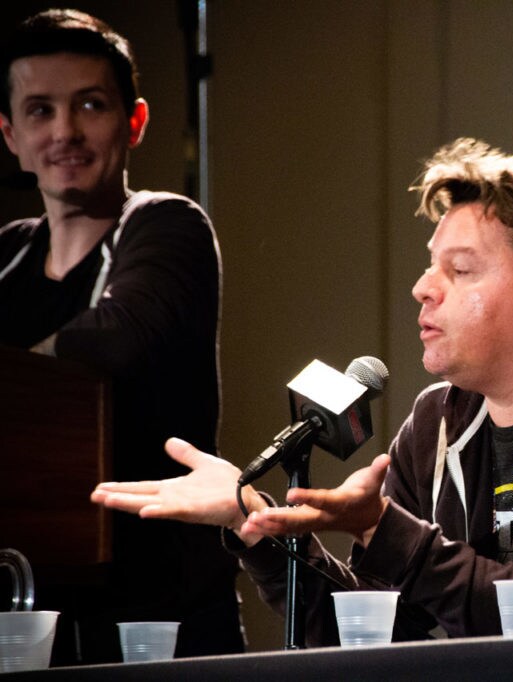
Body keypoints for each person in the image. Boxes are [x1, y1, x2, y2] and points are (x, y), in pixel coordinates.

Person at [92, 137, 513, 643]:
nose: (423, 289)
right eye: (431, 267)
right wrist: (254, 522)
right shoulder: (439, 420)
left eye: (459, 270)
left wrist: (383, 528)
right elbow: (374, 637)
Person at [0, 9, 243, 662]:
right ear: (10, 134)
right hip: (32, 609)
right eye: (40, 111)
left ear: (133, 121)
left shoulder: (166, 225)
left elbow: (117, 337)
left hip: (164, 620)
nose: (65, 132)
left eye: (90, 105)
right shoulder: (8, 258)